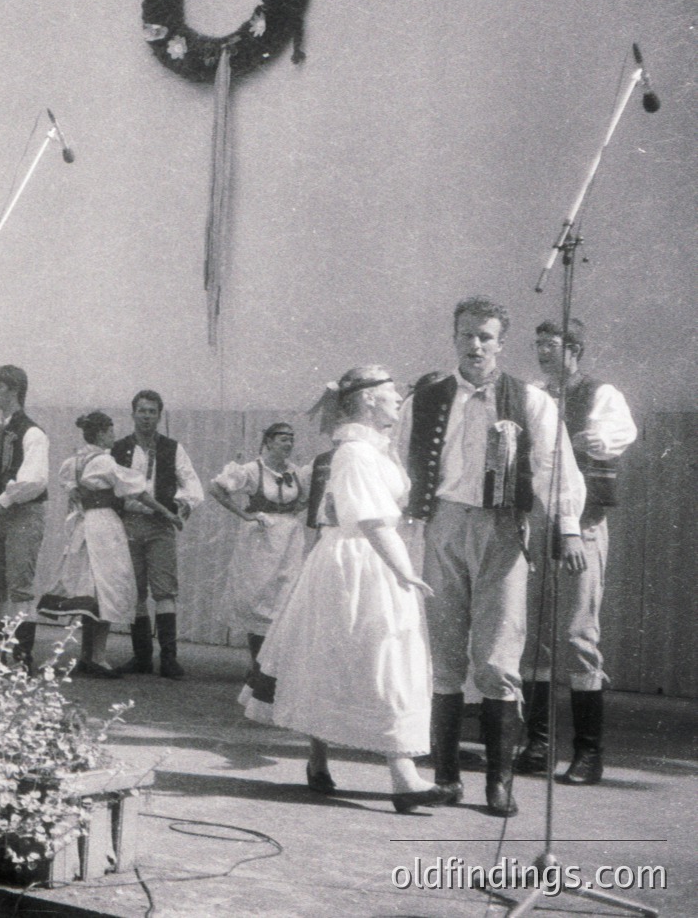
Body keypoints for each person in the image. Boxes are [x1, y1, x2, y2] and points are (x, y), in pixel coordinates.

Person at [399, 296, 584, 817]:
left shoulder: (529, 400)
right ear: (454, 337)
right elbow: (399, 463)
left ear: (502, 344)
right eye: (467, 335)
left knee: (499, 653)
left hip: (502, 529)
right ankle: (446, 776)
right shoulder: (427, 397)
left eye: (485, 336)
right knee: (444, 653)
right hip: (441, 524)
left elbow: (555, 465)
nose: (475, 345)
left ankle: (498, 784)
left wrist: (567, 527)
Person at [246, 366, 449, 813]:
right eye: (392, 393)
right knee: (379, 661)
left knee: (350, 661)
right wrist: (404, 571)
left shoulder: (375, 450)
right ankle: (402, 775)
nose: (399, 399)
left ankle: (329, 762)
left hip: (372, 557)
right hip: (360, 563)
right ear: (369, 400)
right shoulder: (354, 453)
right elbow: (373, 522)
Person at [516, 318, 636, 786]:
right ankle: (537, 746)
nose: (543, 352)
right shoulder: (533, 394)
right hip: (538, 522)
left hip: (583, 524)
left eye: (552, 345)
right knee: (536, 636)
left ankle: (588, 753)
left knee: (579, 634)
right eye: (539, 344)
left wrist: (589, 439)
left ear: (575, 349)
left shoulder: (601, 395)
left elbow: (615, 438)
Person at [39, 411, 182, 677]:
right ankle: (98, 656)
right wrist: (167, 512)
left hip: (83, 525)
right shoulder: (105, 462)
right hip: (104, 525)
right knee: (106, 586)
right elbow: (138, 491)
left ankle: (86, 655)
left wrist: (79, 496)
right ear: (102, 433)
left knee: (89, 586)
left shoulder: (74, 461)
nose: (114, 435)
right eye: (110, 431)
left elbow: (69, 487)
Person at [110, 390, 204, 679]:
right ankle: (141, 657)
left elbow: (193, 486)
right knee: (135, 590)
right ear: (133, 413)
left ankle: (169, 658)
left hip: (160, 525)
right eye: (142, 410)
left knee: (164, 589)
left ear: (159, 415)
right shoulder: (119, 448)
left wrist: (180, 509)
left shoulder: (172, 448)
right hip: (128, 523)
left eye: (152, 411)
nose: (147, 416)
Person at [209, 422, 310, 690]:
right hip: (261, 539)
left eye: (291, 439)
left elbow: (307, 497)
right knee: (258, 598)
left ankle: (273, 668)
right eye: (282, 439)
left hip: (289, 539)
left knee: (285, 597)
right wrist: (245, 514)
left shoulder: (296, 472)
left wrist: (294, 512)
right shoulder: (252, 470)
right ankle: (257, 666)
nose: (288, 444)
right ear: (268, 441)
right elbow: (217, 489)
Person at [0, 364, 48, 668]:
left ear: (15, 390)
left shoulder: (32, 432)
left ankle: (20, 657)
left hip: (22, 514)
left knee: (19, 586)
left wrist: (4, 499)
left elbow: (34, 479)